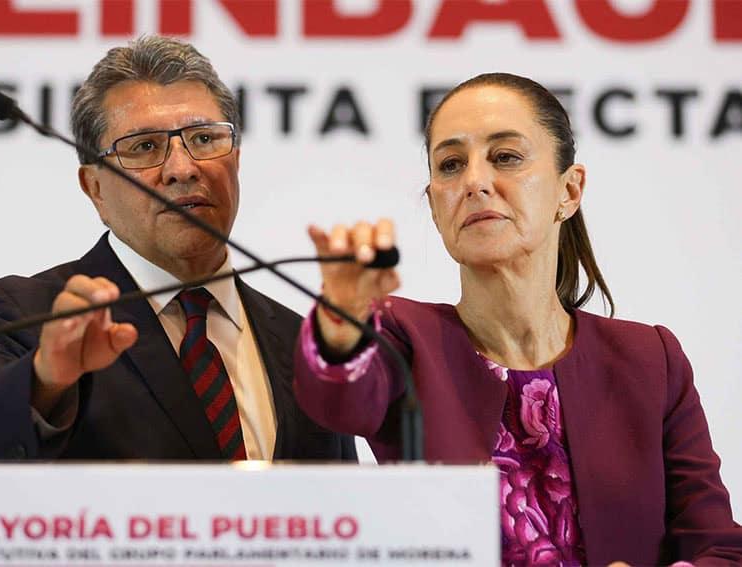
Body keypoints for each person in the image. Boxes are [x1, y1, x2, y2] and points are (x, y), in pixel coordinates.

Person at [293, 73, 742, 565]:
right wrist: (341, 326)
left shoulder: (651, 360)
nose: (474, 181)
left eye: (505, 157)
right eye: (450, 164)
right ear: (436, 206)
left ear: (569, 191)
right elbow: (338, 402)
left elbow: (718, 548)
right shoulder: (405, 339)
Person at [0, 35, 356, 463]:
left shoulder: (306, 345)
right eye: (144, 147)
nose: (182, 169)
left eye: (204, 139)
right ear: (95, 189)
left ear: (236, 161)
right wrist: (45, 379)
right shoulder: (26, 316)